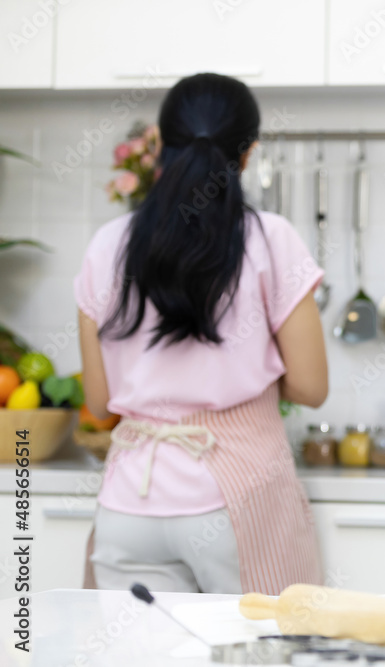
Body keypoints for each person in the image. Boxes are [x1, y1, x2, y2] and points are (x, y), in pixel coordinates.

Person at [75, 73, 328, 595]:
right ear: (249, 152)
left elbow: (99, 403)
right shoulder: (270, 238)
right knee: (255, 651)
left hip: (130, 505)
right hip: (236, 500)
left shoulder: (107, 244)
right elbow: (310, 386)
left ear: (160, 147)